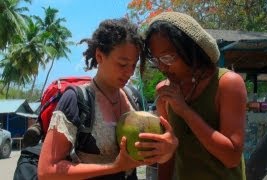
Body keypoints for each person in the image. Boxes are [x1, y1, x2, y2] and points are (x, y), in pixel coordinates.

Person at [38, 18, 178, 180]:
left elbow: (150, 155)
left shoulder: (134, 98)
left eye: (134, 65)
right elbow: (47, 171)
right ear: (99, 56)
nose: (130, 72)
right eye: (122, 64)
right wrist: (114, 167)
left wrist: (167, 150)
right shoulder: (76, 100)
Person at [144, 12, 247, 180]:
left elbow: (232, 157)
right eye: (156, 60)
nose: (162, 67)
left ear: (191, 49)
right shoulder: (163, 92)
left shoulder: (227, 84)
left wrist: (184, 111)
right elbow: (167, 155)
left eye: (168, 57)